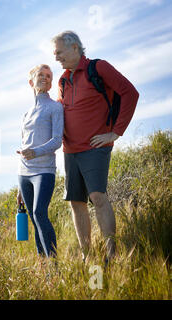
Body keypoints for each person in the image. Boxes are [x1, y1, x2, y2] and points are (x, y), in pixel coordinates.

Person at [52, 31, 139, 264]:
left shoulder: (98, 68)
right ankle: (87, 256)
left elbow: (130, 93)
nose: (56, 57)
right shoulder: (62, 80)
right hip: (70, 151)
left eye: (59, 52)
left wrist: (116, 132)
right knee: (75, 202)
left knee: (97, 196)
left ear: (75, 48)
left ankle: (112, 254)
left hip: (95, 147)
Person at [16, 64, 64, 258]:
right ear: (31, 82)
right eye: (41, 75)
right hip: (24, 173)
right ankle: (42, 265)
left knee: (39, 213)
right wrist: (19, 188)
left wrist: (35, 152)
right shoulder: (26, 114)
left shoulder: (55, 107)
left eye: (49, 76)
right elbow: (23, 145)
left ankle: (54, 265)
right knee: (34, 221)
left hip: (44, 170)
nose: (46, 78)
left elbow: (57, 141)